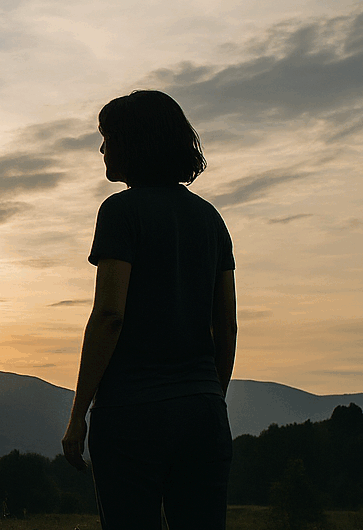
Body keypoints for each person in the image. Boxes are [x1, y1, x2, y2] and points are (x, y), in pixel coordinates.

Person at [61, 90, 238, 529]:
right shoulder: (210, 218)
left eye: (108, 138)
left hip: (130, 415)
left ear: (133, 143)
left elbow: (109, 315)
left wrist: (77, 413)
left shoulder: (121, 212)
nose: (102, 149)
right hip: (204, 411)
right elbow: (227, 326)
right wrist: (209, 396)